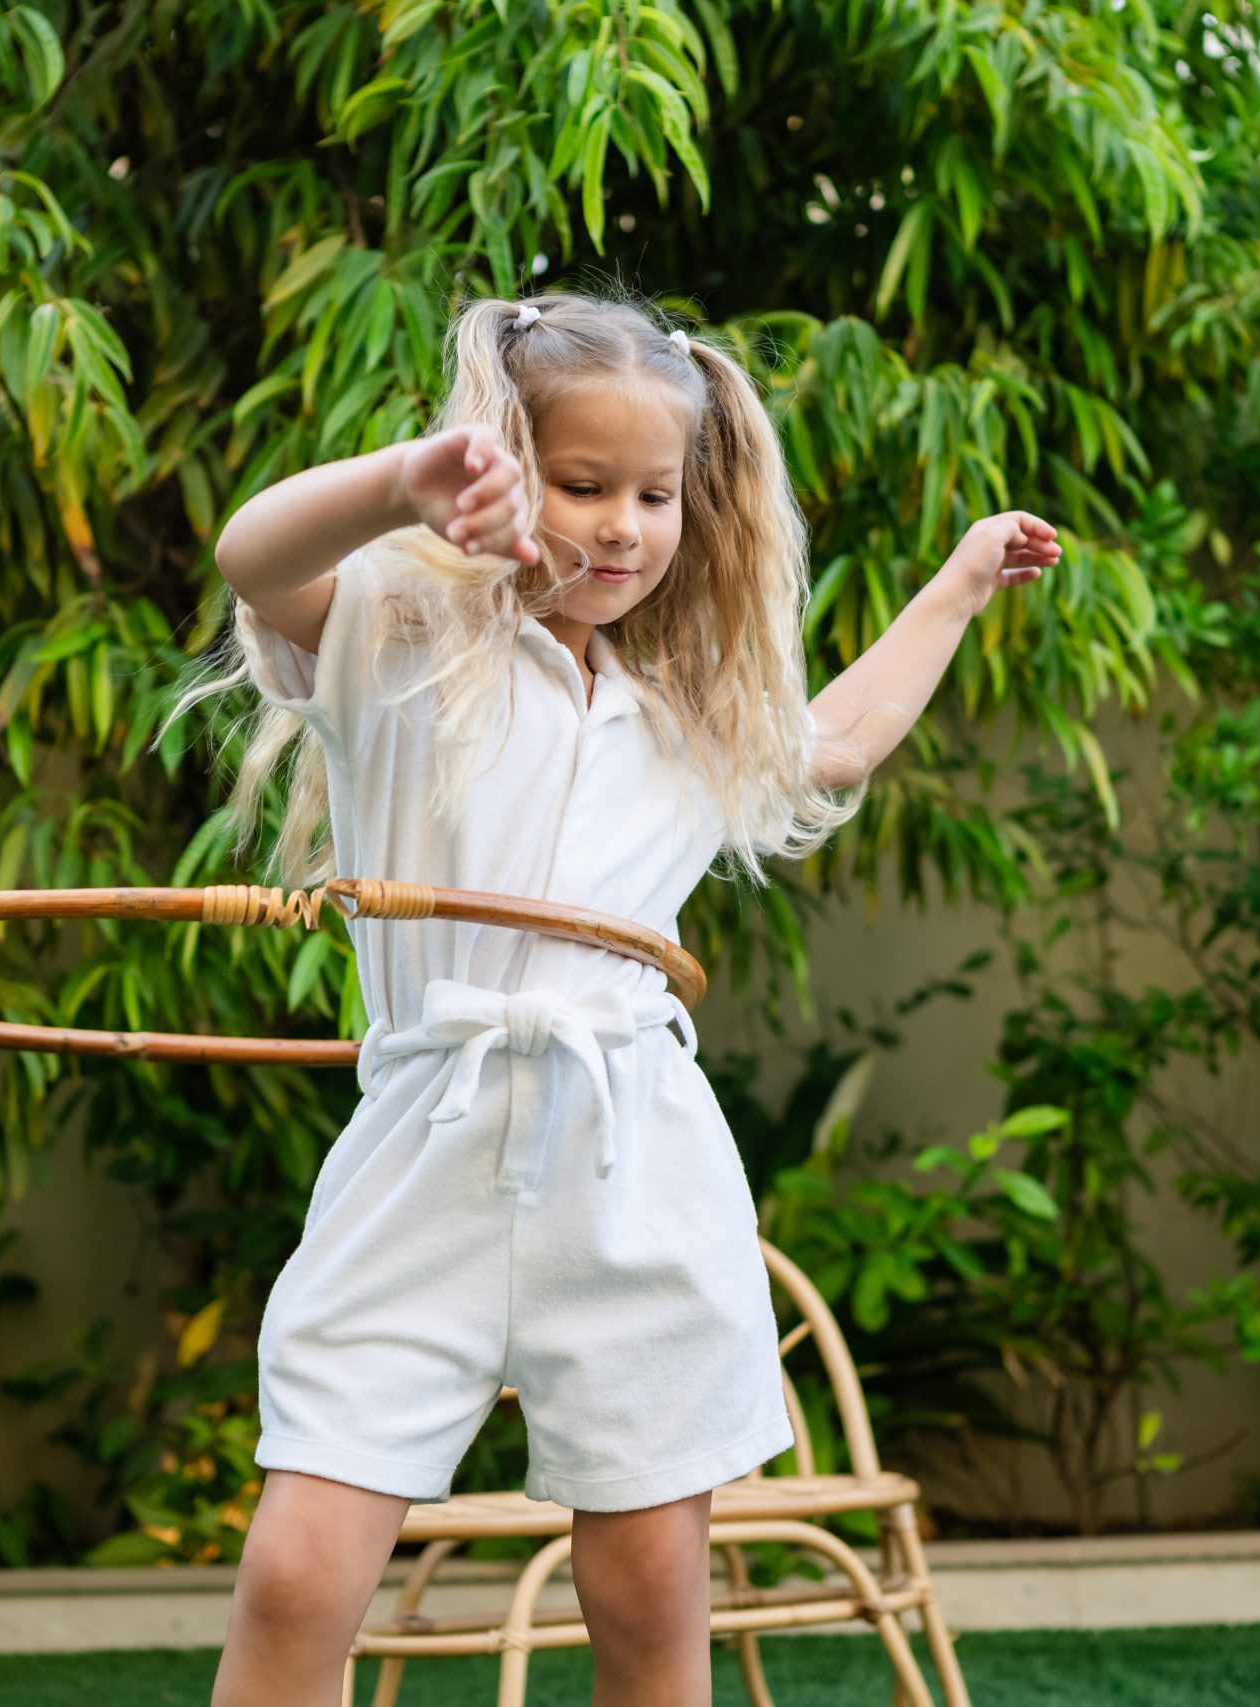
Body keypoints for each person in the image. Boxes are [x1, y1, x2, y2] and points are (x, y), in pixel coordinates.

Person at [166, 287, 1057, 1706]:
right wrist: (402, 483)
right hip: (424, 1151)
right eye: (584, 485)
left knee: (649, 1590)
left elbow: (839, 742)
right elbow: (252, 553)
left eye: (656, 494)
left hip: (634, 1156)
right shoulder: (403, 653)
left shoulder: (686, 722)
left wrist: (954, 586)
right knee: (295, 1574)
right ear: (504, 469)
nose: (624, 526)